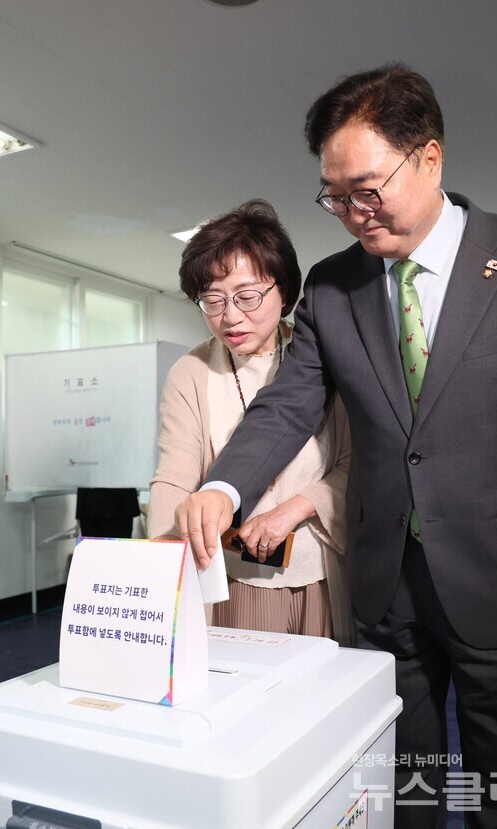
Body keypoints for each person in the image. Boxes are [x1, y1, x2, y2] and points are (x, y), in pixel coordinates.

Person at [173, 65, 497, 828]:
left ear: (429, 158)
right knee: (405, 783)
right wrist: (222, 487)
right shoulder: (334, 289)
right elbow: (286, 405)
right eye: (335, 197)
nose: (352, 214)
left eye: (367, 189)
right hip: (385, 590)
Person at [148, 199, 353, 645]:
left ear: (284, 292)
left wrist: (295, 508)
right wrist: (162, 572)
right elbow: (174, 477)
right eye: (212, 300)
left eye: (246, 296)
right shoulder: (191, 372)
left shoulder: (324, 359)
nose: (230, 317)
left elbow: (356, 465)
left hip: (315, 573)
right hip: (226, 582)